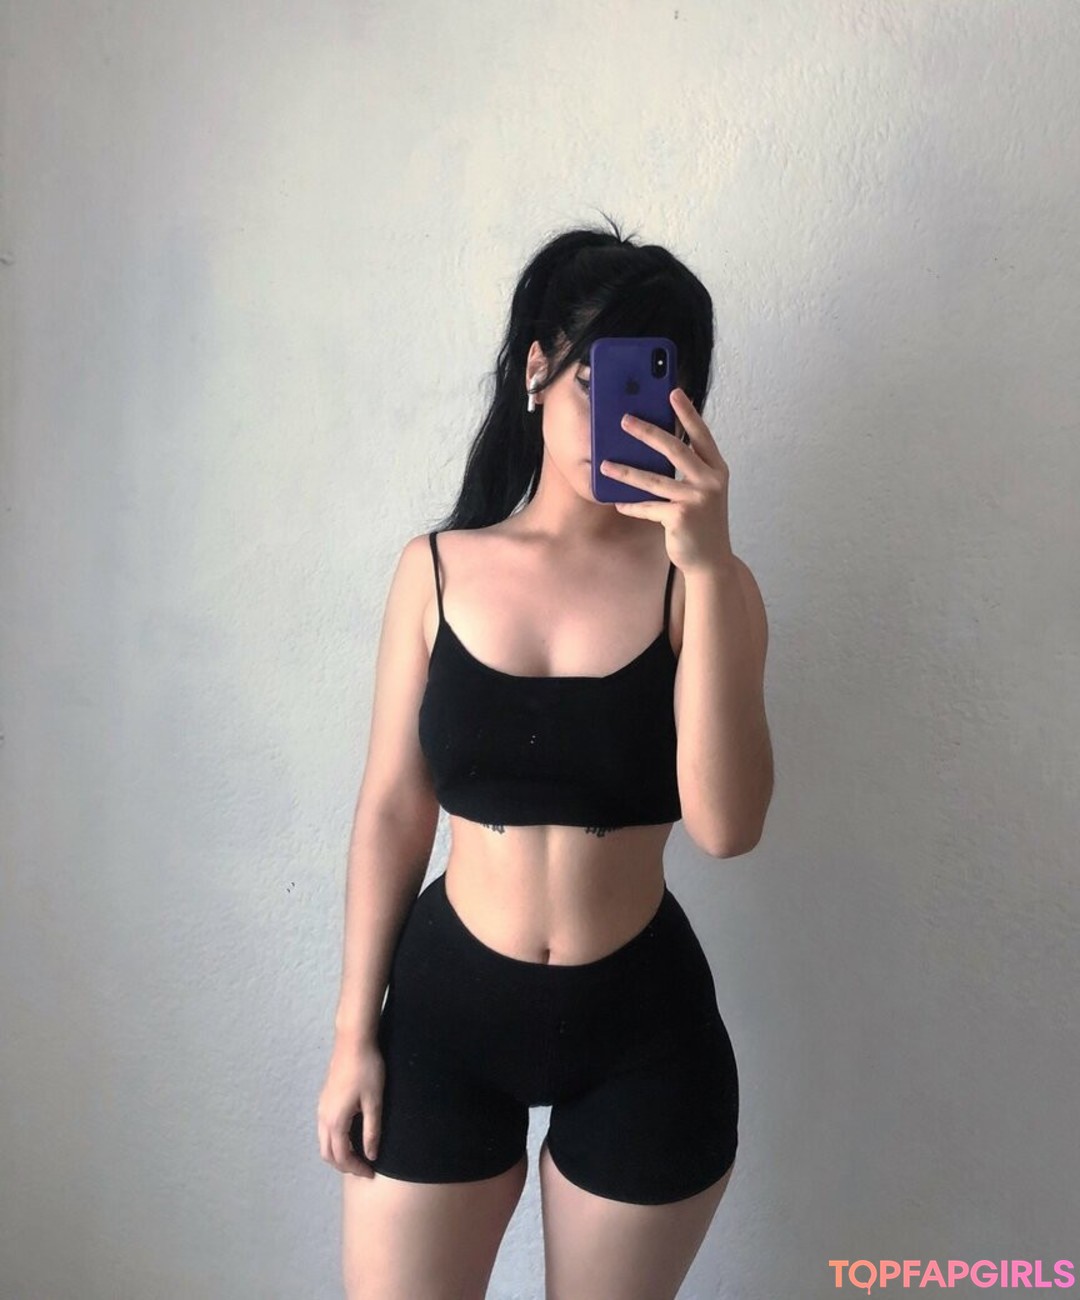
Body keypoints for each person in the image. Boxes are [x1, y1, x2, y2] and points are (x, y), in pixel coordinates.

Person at [317, 214, 773, 1300]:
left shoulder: (705, 585)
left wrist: (708, 569)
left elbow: (727, 827)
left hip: (644, 1034)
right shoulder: (434, 569)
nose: (626, 416)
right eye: (595, 383)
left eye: (659, 388)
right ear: (537, 370)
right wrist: (350, 1033)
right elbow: (392, 812)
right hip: (443, 1019)